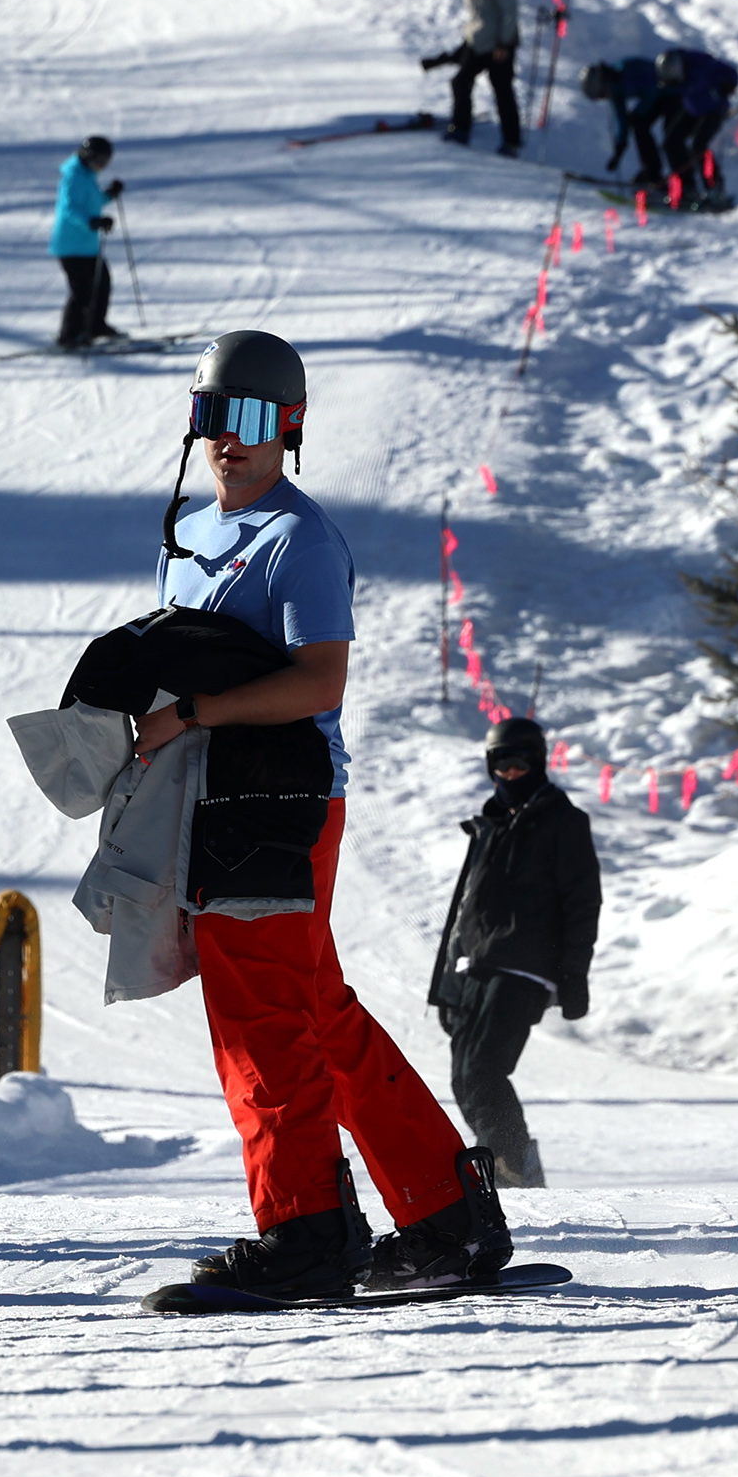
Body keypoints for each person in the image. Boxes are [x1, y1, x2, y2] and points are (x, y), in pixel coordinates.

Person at [139, 330, 515, 1300]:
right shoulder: (189, 535)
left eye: (249, 418)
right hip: (214, 800)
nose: (228, 438)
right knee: (314, 1010)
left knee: (260, 1017)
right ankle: (444, 1210)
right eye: (211, 415)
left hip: (279, 804)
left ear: (289, 426)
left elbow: (319, 680)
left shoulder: (298, 540)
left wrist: (194, 713)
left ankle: (305, 1229)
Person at [428, 715, 601, 1189]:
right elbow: (466, 908)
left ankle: (509, 1169)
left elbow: (583, 903)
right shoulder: (490, 825)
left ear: (538, 764)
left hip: (527, 965)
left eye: (519, 765)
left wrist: (574, 975)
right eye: (501, 766)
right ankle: (510, 1162)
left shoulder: (564, 821)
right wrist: (448, 983)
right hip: (477, 966)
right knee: (464, 1077)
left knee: (484, 1069)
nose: (510, 774)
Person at [422, 0, 522, 157]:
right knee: (460, 82)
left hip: (500, 46)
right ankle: (460, 130)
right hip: (480, 43)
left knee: (502, 91)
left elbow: (509, 10)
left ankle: (511, 142)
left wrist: (504, 43)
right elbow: (479, 18)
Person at [48, 135, 126, 351]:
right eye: (99, 160)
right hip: (70, 246)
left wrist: (109, 195)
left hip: (87, 245)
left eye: (106, 161)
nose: (102, 165)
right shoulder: (73, 177)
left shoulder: (86, 175)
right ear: (87, 156)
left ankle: (95, 326)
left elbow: (92, 201)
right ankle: (68, 336)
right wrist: (92, 221)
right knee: (82, 291)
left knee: (102, 284)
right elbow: (70, 208)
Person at [654, 47, 738, 209]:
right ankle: (687, 188)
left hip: (713, 110)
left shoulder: (703, 64)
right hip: (693, 109)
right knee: (671, 142)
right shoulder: (677, 70)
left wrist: (728, 86)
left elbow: (731, 73)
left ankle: (715, 190)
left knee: (699, 146)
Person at [580, 57, 671, 188]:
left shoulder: (624, 71)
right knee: (639, 124)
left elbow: (655, 84)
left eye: (601, 94)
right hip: (658, 97)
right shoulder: (614, 89)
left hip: (672, 93)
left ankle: (657, 175)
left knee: (665, 136)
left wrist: (639, 111)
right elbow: (621, 119)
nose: (605, 97)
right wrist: (619, 149)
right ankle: (651, 173)